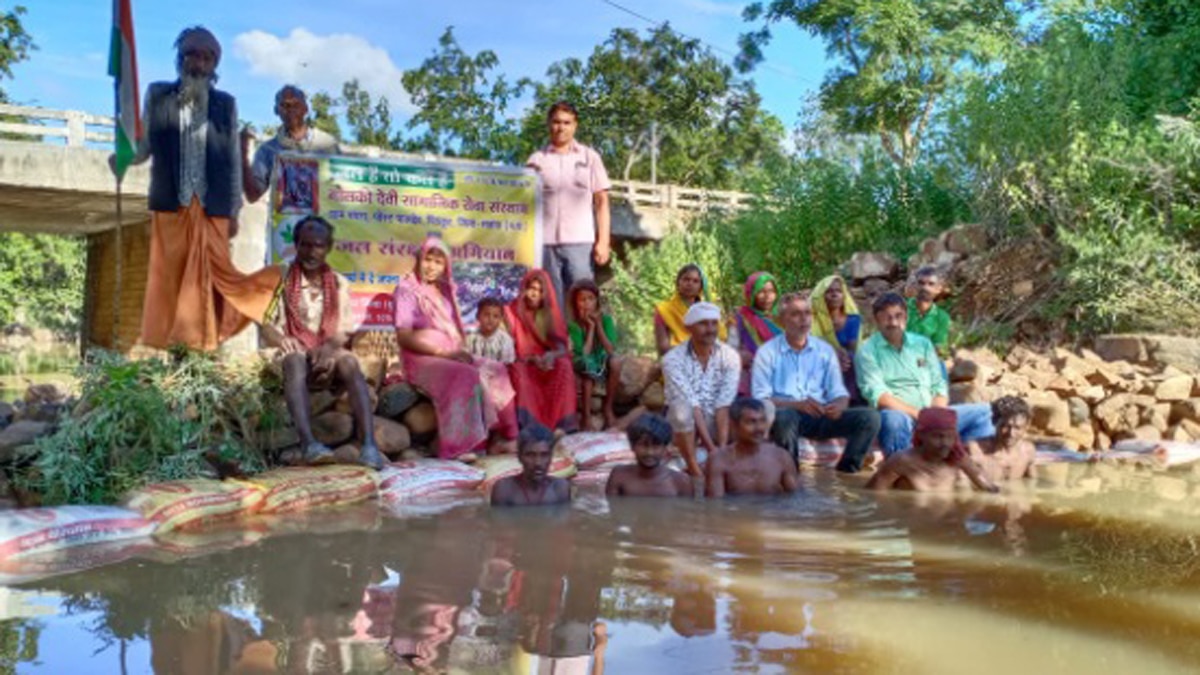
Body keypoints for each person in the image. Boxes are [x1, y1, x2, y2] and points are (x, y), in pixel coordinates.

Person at [113, 26, 280, 351]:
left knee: (216, 281)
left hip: (212, 207)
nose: (198, 63)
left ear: (214, 65)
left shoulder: (225, 105)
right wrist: (121, 158)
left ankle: (204, 346)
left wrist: (234, 212)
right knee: (170, 282)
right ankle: (180, 349)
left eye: (206, 57)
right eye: (192, 54)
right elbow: (144, 148)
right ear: (180, 57)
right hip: (170, 206)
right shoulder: (157, 94)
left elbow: (232, 160)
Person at [261, 216, 383, 469]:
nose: (311, 252)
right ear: (296, 245)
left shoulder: (338, 282)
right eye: (305, 245)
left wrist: (328, 348)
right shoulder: (280, 278)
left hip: (326, 351)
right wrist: (282, 339)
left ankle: (370, 445)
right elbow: (265, 323)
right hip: (292, 352)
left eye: (318, 245)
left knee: (348, 361)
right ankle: (309, 444)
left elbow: (345, 331)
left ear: (328, 247)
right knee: (294, 360)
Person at [393, 236, 517, 462]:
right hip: (421, 361)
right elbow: (404, 337)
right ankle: (462, 447)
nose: (431, 266)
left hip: (450, 356)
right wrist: (444, 354)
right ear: (419, 259)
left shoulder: (444, 291)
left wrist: (458, 352)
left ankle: (506, 436)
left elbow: (455, 331)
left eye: (438, 262)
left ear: (445, 266)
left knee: (495, 368)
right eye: (427, 259)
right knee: (465, 375)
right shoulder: (406, 289)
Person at [751, 292, 881, 473]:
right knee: (785, 417)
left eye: (807, 313)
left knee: (870, 417)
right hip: (789, 417)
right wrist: (797, 405)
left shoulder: (824, 350)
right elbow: (760, 399)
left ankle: (847, 472)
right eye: (795, 314)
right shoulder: (767, 353)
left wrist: (838, 406)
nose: (803, 319)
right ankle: (790, 473)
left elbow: (839, 392)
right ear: (781, 321)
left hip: (822, 414)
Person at [856, 292, 995, 455]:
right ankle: (902, 467)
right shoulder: (867, 351)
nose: (893, 322)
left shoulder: (922, 344)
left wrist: (937, 414)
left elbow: (939, 384)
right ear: (876, 320)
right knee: (893, 420)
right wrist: (920, 416)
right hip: (902, 416)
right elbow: (879, 396)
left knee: (985, 412)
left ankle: (965, 461)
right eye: (887, 317)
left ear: (906, 317)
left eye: (898, 316)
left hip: (933, 414)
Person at [526, 101, 612, 310]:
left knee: (584, 301)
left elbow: (602, 201)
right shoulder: (536, 160)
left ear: (575, 126)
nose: (561, 127)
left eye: (567, 122)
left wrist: (603, 241)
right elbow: (525, 206)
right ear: (549, 124)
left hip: (580, 243)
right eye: (556, 122)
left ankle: (587, 343)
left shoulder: (590, 157)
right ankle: (557, 344)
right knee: (550, 304)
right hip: (544, 244)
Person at [662, 302, 741, 477]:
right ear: (689, 327)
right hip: (684, 426)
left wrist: (720, 450)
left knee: (757, 410)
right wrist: (711, 450)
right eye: (703, 324)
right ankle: (694, 468)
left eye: (714, 323)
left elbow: (724, 404)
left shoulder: (730, 357)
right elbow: (693, 405)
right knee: (682, 411)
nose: (710, 329)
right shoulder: (672, 359)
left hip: (717, 421)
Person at [505, 269, 578, 432]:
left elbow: (562, 348)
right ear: (524, 289)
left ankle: (562, 426)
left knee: (564, 366)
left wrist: (551, 355)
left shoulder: (549, 314)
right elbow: (507, 349)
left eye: (539, 291)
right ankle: (529, 426)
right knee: (519, 372)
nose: (534, 294)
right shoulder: (511, 312)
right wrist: (531, 359)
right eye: (531, 289)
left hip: (545, 362)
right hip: (523, 362)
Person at [242, 85, 341, 204]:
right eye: (284, 105)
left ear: (305, 109)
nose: (290, 110)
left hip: (321, 220)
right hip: (283, 221)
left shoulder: (327, 144)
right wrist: (243, 156)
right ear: (276, 110)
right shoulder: (267, 150)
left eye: (296, 104)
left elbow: (341, 189)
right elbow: (252, 196)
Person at [866, 407, 1000, 492]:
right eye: (938, 437)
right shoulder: (901, 461)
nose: (945, 443)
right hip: (912, 520)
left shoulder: (959, 458)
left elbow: (987, 487)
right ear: (921, 435)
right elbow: (873, 496)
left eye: (950, 437)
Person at [706, 398, 799, 497]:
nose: (759, 428)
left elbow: (795, 500)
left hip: (770, 511)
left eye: (762, 421)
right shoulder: (719, 459)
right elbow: (715, 506)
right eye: (751, 422)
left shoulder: (781, 457)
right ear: (734, 425)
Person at [567, 280, 622, 430]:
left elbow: (610, 350)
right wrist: (590, 329)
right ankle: (586, 416)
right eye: (582, 300)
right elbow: (583, 353)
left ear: (596, 302)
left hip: (600, 360)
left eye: (590, 299)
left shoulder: (606, 320)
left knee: (616, 361)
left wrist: (598, 325)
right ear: (576, 303)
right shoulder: (574, 326)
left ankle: (608, 408)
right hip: (584, 363)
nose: (586, 304)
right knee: (587, 368)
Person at [605, 413, 694, 498]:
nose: (649, 452)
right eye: (643, 445)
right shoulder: (619, 476)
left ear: (666, 448)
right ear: (632, 446)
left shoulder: (681, 482)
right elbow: (613, 511)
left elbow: (685, 511)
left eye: (656, 446)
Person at [811, 274, 864, 403]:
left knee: (850, 358)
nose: (834, 295)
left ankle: (850, 399)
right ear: (821, 296)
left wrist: (840, 356)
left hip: (846, 364)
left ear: (844, 295)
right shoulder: (813, 320)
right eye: (829, 291)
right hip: (820, 362)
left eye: (838, 291)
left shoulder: (853, 319)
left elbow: (853, 348)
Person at [654, 263, 727, 356]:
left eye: (695, 281)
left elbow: (722, 338)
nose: (690, 284)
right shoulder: (664, 310)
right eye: (686, 279)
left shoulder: (708, 310)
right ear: (678, 282)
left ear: (701, 287)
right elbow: (663, 348)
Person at [491, 424, 572, 506]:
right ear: (519, 457)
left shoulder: (560, 489)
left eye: (544, 455)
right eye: (530, 455)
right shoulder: (504, 490)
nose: (538, 463)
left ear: (551, 457)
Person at [733, 272, 782, 395]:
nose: (767, 296)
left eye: (771, 291)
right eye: (761, 291)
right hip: (754, 374)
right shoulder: (740, 317)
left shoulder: (782, 317)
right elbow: (730, 347)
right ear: (751, 293)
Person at [968, 396, 1036, 482]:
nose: (1011, 433)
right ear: (994, 422)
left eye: (1017, 428)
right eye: (1005, 426)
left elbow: (1033, 484)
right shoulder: (977, 451)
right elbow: (962, 490)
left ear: (1026, 427)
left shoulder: (1028, 452)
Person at [907, 266, 952, 358]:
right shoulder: (900, 309)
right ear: (915, 286)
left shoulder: (942, 317)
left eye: (931, 284)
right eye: (921, 283)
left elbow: (938, 346)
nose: (925, 288)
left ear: (939, 289)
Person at [465, 296, 516, 365]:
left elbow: (507, 364)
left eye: (495, 316)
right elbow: (466, 359)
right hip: (474, 372)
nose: (490, 319)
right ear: (477, 316)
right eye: (486, 315)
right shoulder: (471, 338)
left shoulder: (505, 340)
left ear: (501, 319)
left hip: (499, 373)